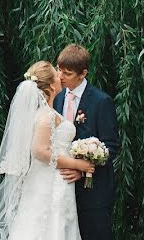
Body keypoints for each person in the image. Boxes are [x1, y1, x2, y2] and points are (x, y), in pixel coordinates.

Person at [0, 60, 95, 240]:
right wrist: (78, 164)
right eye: (56, 73)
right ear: (51, 86)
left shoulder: (47, 112)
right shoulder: (46, 116)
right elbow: (40, 152)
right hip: (49, 182)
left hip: (54, 180)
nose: (60, 76)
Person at [54, 44, 119, 240]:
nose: (61, 77)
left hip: (93, 191)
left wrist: (82, 169)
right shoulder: (57, 98)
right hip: (62, 188)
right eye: (58, 70)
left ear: (83, 74)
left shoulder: (101, 102)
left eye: (67, 73)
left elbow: (112, 146)